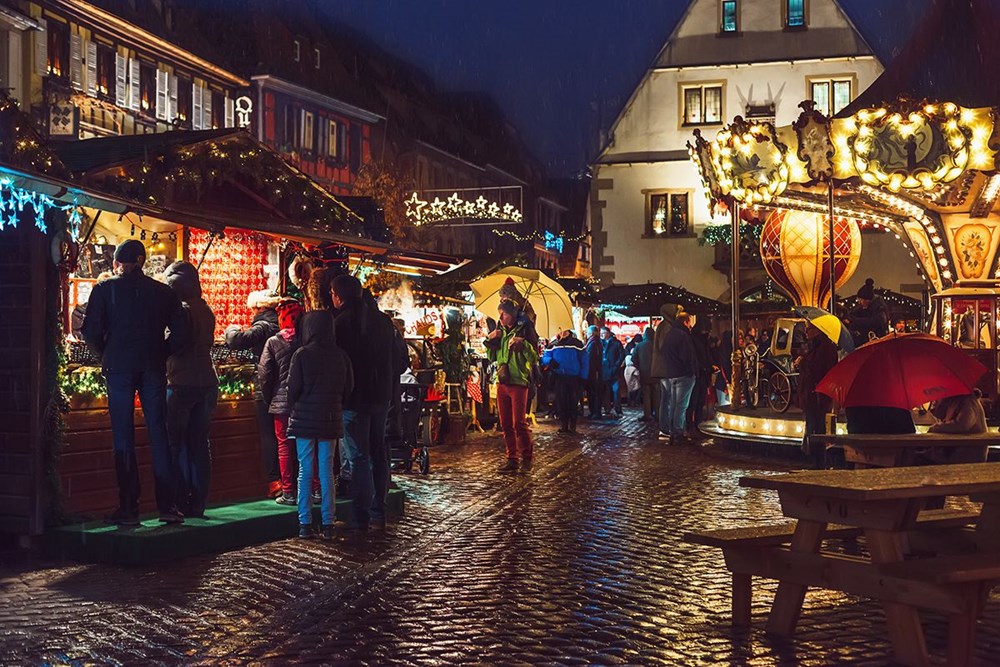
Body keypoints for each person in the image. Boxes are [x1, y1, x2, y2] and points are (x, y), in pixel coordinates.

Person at [81, 240, 189, 525]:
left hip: (118, 367)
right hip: (153, 366)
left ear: (119, 263)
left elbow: (89, 332)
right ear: (142, 261)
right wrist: (161, 352)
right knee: (159, 434)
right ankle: (168, 505)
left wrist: (106, 353)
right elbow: (181, 334)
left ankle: (129, 508)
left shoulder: (105, 289)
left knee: (123, 436)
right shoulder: (163, 293)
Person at [330, 274, 397, 530]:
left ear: (339, 296)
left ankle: (361, 516)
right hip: (380, 396)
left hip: (355, 398)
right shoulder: (383, 322)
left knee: (358, 456)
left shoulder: (341, 323)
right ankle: (378, 512)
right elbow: (396, 360)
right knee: (378, 452)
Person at [286, 311, 353, 539]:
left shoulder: (302, 355)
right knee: (326, 470)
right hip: (330, 419)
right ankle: (328, 523)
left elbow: (293, 389)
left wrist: (296, 407)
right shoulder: (340, 356)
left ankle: (304, 523)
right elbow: (348, 388)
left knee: (305, 470)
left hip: (304, 420)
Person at [162, 262, 217, 519]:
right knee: (199, 443)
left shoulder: (182, 310)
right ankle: (198, 502)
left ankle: (179, 500)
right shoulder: (205, 309)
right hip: (207, 381)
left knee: (175, 444)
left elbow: (177, 344)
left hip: (181, 380)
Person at [225, 289, 281, 497]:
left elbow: (236, 340)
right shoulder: (281, 323)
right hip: (285, 386)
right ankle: (288, 479)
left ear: (260, 307)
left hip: (266, 387)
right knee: (283, 435)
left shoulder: (263, 325)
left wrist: (231, 328)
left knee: (268, 434)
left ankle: (274, 481)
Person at [258, 299, 306, 506]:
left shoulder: (273, 342)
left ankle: (288, 491)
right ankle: (312, 490)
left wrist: (269, 398)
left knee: (284, 446)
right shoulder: (306, 340)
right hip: (304, 403)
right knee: (306, 447)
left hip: (281, 403)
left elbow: (264, 374)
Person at [486, 299, 539, 471]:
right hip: (502, 381)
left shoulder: (524, 330)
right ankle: (512, 458)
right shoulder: (499, 331)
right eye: (499, 313)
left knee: (519, 423)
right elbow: (491, 357)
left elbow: (534, 358)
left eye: (504, 314)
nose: (500, 317)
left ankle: (527, 456)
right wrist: (490, 341)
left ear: (513, 314)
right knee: (505, 423)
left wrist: (523, 345)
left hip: (518, 381)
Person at [795, 323, 839, 468]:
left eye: (808, 330)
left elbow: (817, 369)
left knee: (817, 428)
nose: (806, 333)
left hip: (817, 395)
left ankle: (818, 461)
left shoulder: (824, 347)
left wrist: (804, 361)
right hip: (812, 394)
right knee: (813, 427)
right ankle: (816, 460)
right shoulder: (815, 346)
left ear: (817, 330)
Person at [659, 312, 698, 443]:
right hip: (683, 374)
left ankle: (673, 431)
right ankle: (678, 432)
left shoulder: (669, 334)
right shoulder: (683, 335)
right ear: (686, 322)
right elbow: (687, 356)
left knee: (674, 405)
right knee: (681, 405)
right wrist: (691, 371)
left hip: (672, 373)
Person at [541, 328, 587, 433]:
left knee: (573, 402)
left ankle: (572, 425)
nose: (562, 333)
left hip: (574, 377)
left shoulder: (577, 344)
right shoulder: (553, 344)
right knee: (561, 402)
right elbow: (545, 357)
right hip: (559, 377)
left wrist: (583, 376)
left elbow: (584, 359)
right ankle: (564, 425)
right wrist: (550, 361)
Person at [651, 303, 683, 434]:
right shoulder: (666, 326)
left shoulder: (665, 325)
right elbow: (663, 346)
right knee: (667, 398)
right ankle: (665, 426)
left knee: (666, 398)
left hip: (665, 368)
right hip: (665, 368)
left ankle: (665, 426)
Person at [686, 328, 714, 436]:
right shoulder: (697, 340)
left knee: (698, 401)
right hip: (698, 374)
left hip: (701, 374)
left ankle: (695, 424)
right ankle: (692, 425)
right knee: (694, 401)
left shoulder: (702, 341)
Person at [847, 278, 889, 345]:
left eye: (861, 300)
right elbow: (852, 315)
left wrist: (857, 321)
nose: (859, 302)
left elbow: (877, 321)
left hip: (876, 341)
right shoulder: (861, 308)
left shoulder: (879, 308)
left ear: (867, 300)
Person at [633, 327, 658, 422]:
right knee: (657, 395)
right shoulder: (657, 345)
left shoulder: (639, 346)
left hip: (644, 374)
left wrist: (640, 367)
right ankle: (658, 414)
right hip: (656, 374)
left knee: (646, 395)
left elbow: (634, 359)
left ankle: (647, 414)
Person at [600, 327, 626, 417]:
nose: (601, 334)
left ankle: (618, 409)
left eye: (603, 333)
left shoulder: (616, 343)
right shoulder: (600, 343)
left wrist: (616, 366)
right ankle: (607, 409)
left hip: (614, 371)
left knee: (616, 390)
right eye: (601, 333)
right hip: (604, 370)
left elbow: (621, 355)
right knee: (605, 391)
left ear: (608, 333)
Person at [584, 325, 604, 419]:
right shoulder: (595, 342)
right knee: (594, 392)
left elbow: (591, 359)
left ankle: (595, 412)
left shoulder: (593, 343)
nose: (586, 334)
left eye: (587, 333)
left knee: (594, 392)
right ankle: (594, 412)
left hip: (593, 372)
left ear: (591, 333)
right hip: (595, 371)